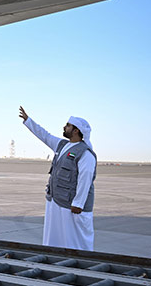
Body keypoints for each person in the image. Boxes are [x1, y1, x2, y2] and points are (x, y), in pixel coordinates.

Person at [19, 106, 96, 251]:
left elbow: (85, 179)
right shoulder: (61, 145)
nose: (64, 127)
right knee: (55, 237)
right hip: (56, 201)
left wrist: (78, 203)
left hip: (72, 207)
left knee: (75, 241)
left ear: (76, 130)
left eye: (68, 125)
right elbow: (45, 135)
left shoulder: (85, 153)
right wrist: (28, 121)